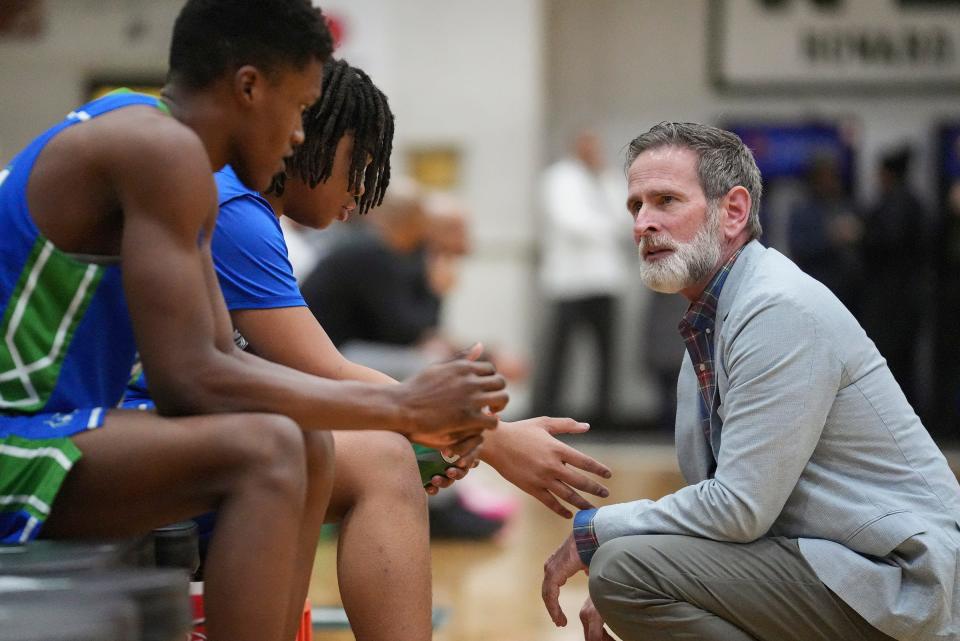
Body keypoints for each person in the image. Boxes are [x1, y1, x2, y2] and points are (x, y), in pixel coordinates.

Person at [0, 3, 506, 641]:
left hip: (51, 431)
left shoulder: (181, 161)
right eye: (299, 108)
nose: (300, 136)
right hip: (16, 439)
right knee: (267, 451)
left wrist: (399, 412)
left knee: (305, 443)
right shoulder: (155, 148)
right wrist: (402, 408)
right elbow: (191, 381)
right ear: (248, 86)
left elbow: (222, 361)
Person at [126, 58, 612, 641]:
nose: (360, 191)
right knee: (377, 460)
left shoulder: (238, 206)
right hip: (136, 433)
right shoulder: (236, 210)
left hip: (172, 426)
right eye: (357, 164)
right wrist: (493, 440)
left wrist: (445, 437)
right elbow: (327, 371)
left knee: (371, 452)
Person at [541, 122, 960, 641]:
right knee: (629, 567)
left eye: (665, 201)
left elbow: (739, 509)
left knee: (623, 570)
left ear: (734, 211)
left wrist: (594, 530)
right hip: (832, 559)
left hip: (901, 581)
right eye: (635, 207)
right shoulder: (714, 316)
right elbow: (725, 510)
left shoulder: (776, 307)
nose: (643, 224)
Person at [532, 129, 632, 425]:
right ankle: (546, 409)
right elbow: (570, 222)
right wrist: (608, 228)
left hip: (605, 279)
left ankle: (605, 415)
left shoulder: (609, 178)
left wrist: (606, 224)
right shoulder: (559, 178)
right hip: (569, 281)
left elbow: (628, 219)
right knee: (559, 350)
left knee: (607, 351)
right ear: (576, 147)